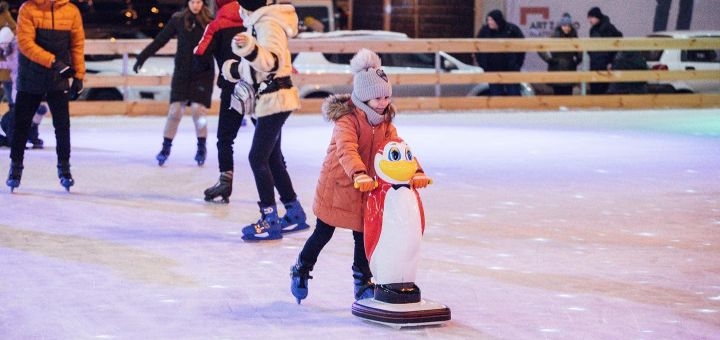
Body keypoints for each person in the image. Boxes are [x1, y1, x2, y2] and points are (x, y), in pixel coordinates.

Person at [288, 48, 432, 304]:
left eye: (386, 96)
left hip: (366, 187)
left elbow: (397, 147)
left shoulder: (385, 122)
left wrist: (416, 170)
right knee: (323, 233)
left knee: (362, 236)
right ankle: (302, 267)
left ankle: (362, 281)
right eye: (377, 98)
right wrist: (358, 173)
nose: (383, 102)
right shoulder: (347, 119)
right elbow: (346, 148)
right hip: (339, 184)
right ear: (364, 96)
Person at [222, 0, 309, 241]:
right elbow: (259, 67)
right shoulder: (262, 22)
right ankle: (294, 211)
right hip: (272, 97)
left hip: (276, 99)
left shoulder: (269, 23)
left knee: (257, 157)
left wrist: (248, 49)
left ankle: (269, 218)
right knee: (271, 158)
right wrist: (235, 70)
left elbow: (270, 62)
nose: (239, 10)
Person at [6, 0, 85, 192]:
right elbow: (25, 44)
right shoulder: (29, 8)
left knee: (62, 125)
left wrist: (79, 76)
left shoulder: (71, 11)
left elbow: (77, 45)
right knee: (22, 123)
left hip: (58, 76)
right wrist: (55, 63)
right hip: (31, 75)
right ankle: (15, 168)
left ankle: (64, 169)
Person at [133, 0, 214, 167]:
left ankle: (201, 148)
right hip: (182, 74)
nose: (196, 5)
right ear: (188, 3)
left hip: (202, 74)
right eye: (193, 1)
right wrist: (143, 56)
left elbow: (219, 47)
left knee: (199, 112)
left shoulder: (209, 22)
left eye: (199, 1)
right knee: (175, 111)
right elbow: (160, 40)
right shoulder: (178, 20)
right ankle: (165, 148)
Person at [194, 0, 246, 203]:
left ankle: (225, 180)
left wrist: (205, 71)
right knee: (268, 144)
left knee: (225, 139)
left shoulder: (216, 25)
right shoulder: (254, 20)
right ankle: (283, 190)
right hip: (258, 87)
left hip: (232, 88)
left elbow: (200, 54)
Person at [0, 26, 48, 149]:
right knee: (19, 111)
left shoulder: (18, 48)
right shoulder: (11, 48)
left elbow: (13, 65)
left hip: (23, 85)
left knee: (31, 109)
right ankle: (19, 136)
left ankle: (25, 135)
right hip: (16, 83)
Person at [473, 9, 525, 96]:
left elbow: (522, 47)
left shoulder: (512, 30)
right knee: (496, 95)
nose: (489, 22)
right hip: (492, 70)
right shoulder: (484, 31)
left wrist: (517, 64)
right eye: (488, 20)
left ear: (498, 20)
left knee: (514, 94)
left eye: (492, 20)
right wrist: (484, 65)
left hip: (511, 70)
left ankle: (515, 109)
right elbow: (477, 48)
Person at [538, 13, 583, 95]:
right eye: (564, 26)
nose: (567, 28)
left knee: (567, 94)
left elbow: (579, 52)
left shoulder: (574, 37)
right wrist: (549, 59)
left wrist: (576, 61)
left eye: (568, 26)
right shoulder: (554, 36)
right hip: (557, 68)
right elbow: (540, 48)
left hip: (568, 69)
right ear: (561, 26)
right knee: (558, 93)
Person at [587, 6, 623, 95]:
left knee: (603, 89)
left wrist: (611, 61)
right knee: (594, 88)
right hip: (595, 63)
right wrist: (590, 52)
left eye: (591, 18)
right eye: (589, 18)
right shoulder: (592, 29)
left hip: (605, 64)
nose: (589, 20)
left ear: (596, 17)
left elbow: (616, 44)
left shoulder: (608, 27)